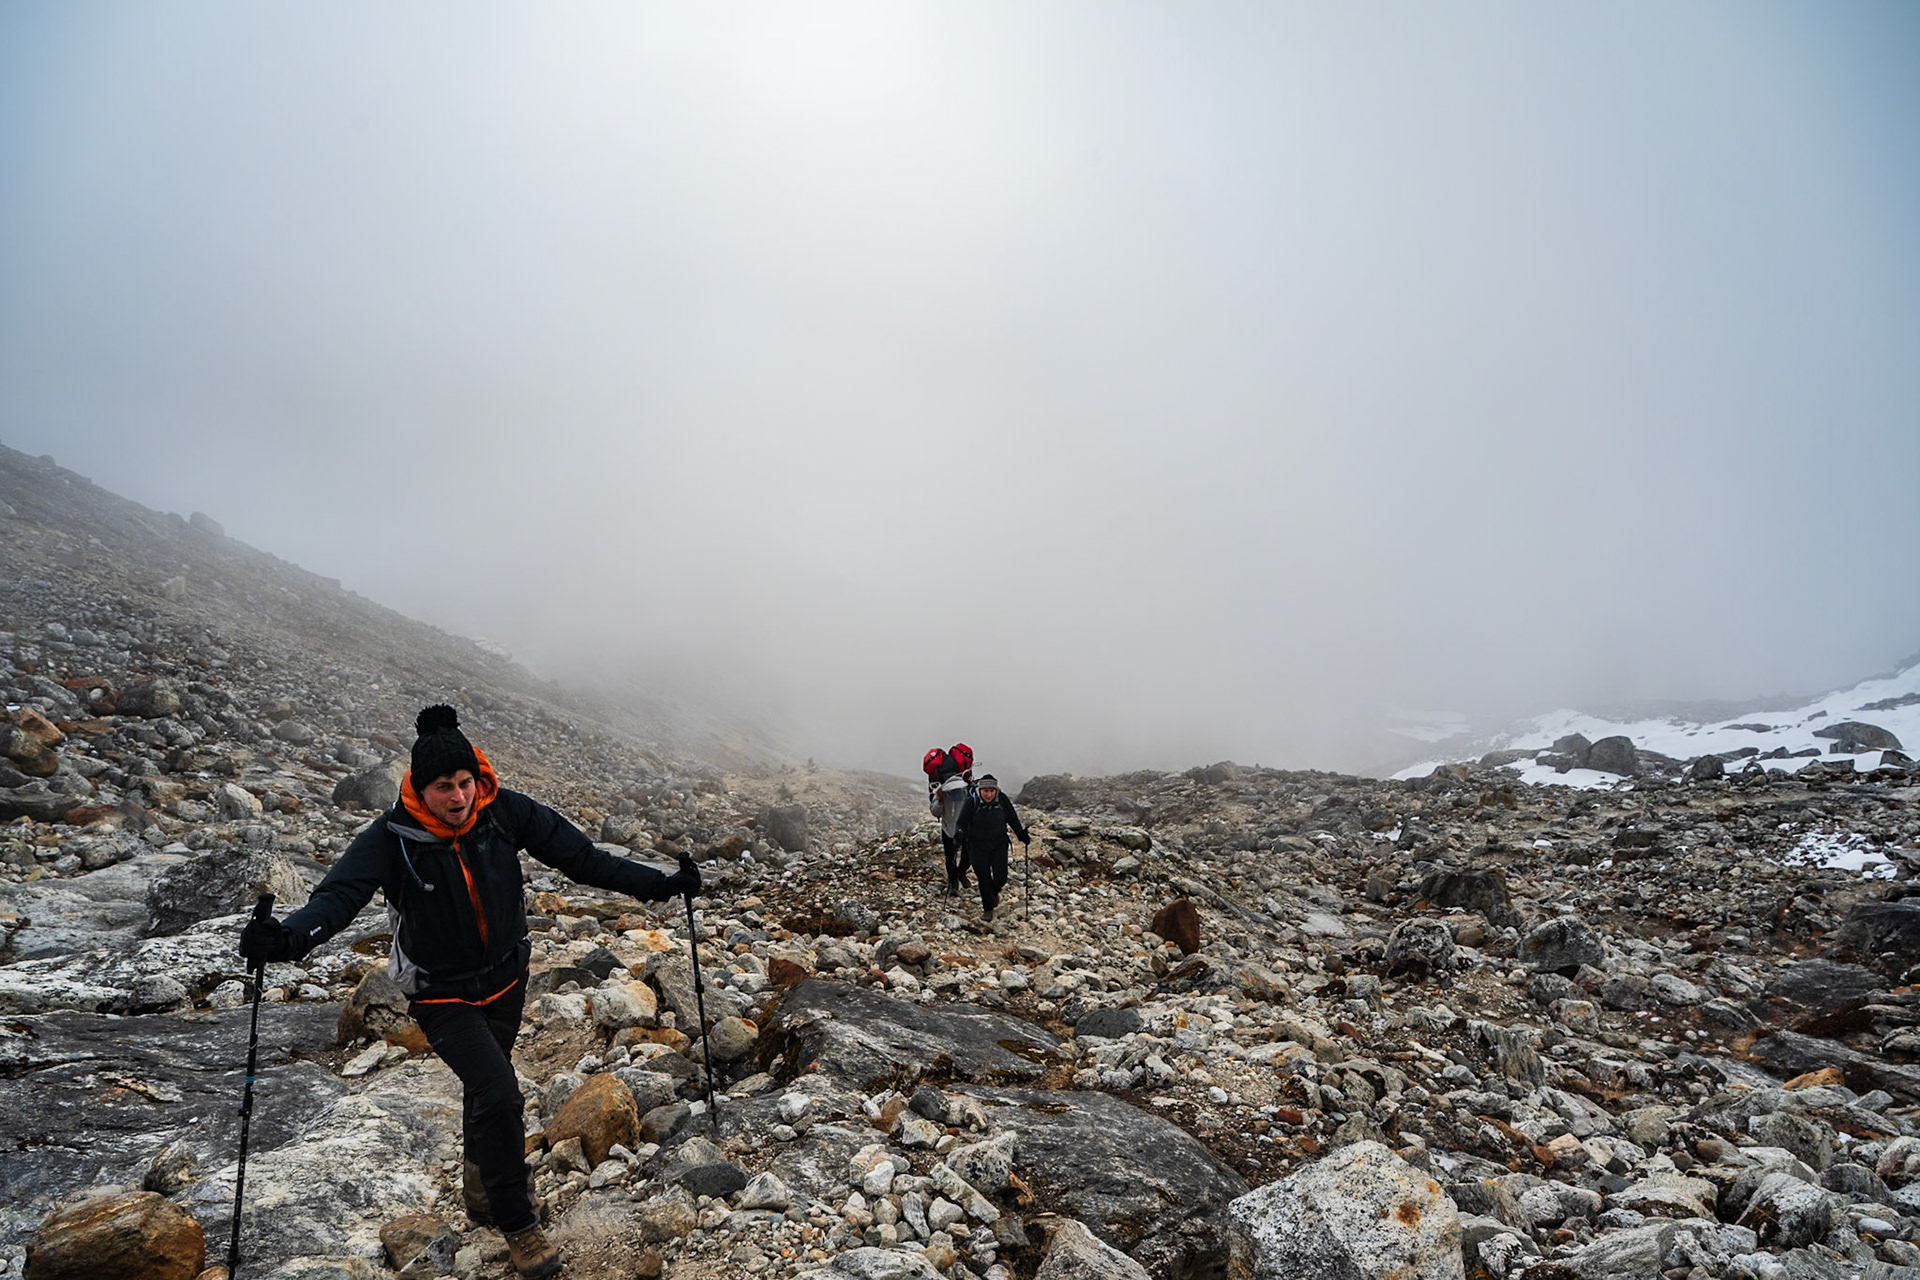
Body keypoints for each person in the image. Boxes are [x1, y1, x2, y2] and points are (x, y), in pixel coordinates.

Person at [238, 705, 699, 1279]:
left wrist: (662, 885)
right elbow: (336, 900)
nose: (458, 797)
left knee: (487, 1088)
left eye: (464, 782)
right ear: (419, 789)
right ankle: (517, 1222)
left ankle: (481, 1193)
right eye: (443, 787)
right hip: (440, 993)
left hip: (506, 978)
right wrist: (285, 940)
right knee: (500, 1093)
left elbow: (581, 859)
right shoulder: (390, 840)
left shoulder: (503, 811)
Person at [955, 773, 1029, 922]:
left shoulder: (1002, 800)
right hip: (976, 845)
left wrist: (1021, 834)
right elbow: (961, 822)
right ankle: (988, 909)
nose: (988, 795)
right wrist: (959, 834)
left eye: (991, 791)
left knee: (1001, 877)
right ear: (980, 790)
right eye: (985, 791)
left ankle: (993, 893)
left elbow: (1012, 818)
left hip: (999, 844)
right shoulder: (971, 802)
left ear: (996, 790)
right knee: (983, 878)